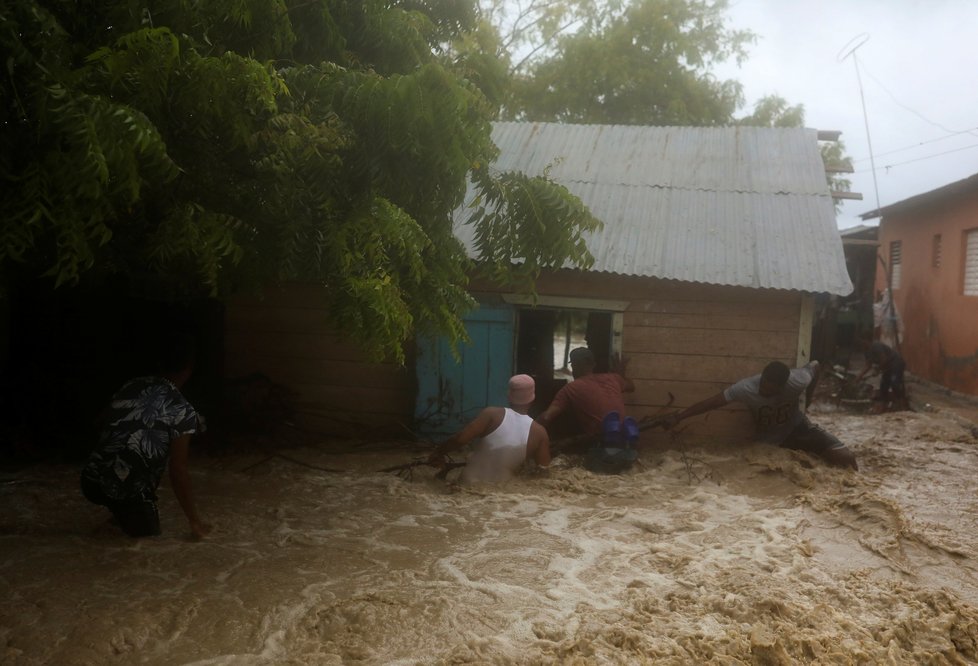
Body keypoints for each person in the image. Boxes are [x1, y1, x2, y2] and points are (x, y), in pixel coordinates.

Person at [81, 333, 211, 538]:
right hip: (126, 488)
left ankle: (119, 511)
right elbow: (178, 471)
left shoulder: (132, 385)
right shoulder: (182, 411)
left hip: (90, 480)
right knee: (148, 540)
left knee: (140, 463)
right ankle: (123, 508)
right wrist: (195, 521)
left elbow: (100, 421)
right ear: (189, 369)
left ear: (159, 364)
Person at [665, 360, 858, 470]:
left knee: (847, 459)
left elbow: (815, 365)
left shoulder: (798, 380)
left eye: (770, 391)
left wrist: (808, 398)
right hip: (768, 441)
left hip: (798, 428)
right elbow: (712, 402)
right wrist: (680, 416)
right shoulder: (745, 388)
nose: (764, 392)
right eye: (763, 387)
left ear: (783, 385)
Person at [428, 374, 551, 482]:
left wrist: (439, 452)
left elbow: (460, 439)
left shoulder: (491, 415)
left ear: (509, 395)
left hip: (467, 483)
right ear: (532, 398)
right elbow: (543, 475)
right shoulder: (540, 433)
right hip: (501, 494)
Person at [536, 347, 635, 437]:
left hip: (599, 440)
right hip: (626, 436)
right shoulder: (613, 378)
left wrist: (528, 434)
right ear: (594, 364)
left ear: (574, 366)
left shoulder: (570, 389)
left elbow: (546, 417)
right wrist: (621, 374)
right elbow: (631, 386)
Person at [855, 341, 908, 411]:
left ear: (866, 341)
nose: (860, 345)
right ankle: (884, 406)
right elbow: (868, 365)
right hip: (887, 367)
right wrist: (859, 376)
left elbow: (884, 359)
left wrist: (877, 369)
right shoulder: (866, 352)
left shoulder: (876, 346)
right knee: (884, 386)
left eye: (861, 343)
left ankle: (903, 406)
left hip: (896, 363)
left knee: (895, 384)